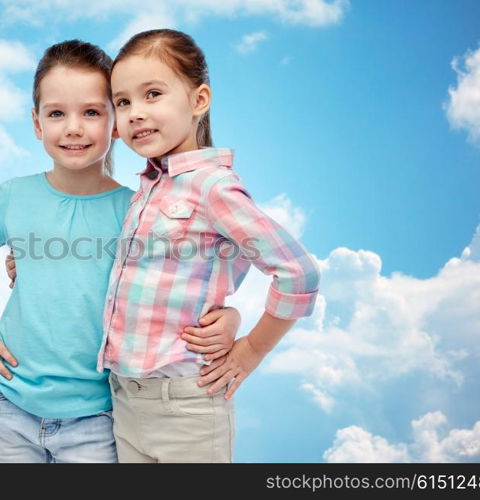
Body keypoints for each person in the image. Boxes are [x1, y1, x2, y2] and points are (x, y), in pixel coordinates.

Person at [0, 39, 240, 463]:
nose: (73, 127)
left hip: (98, 419)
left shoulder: (138, 210)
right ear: (37, 123)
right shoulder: (13, 197)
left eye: (91, 112)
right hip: (9, 404)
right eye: (56, 113)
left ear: (116, 122)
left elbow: (186, 284)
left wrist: (230, 316)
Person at [96, 29, 322, 463]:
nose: (135, 113)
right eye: (122, 102)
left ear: (199, 100)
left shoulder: (212, 187)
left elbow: (299, 272)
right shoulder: (146, 191)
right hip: (125, 401)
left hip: (188, 405)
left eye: (153, 94)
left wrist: (251, 348)